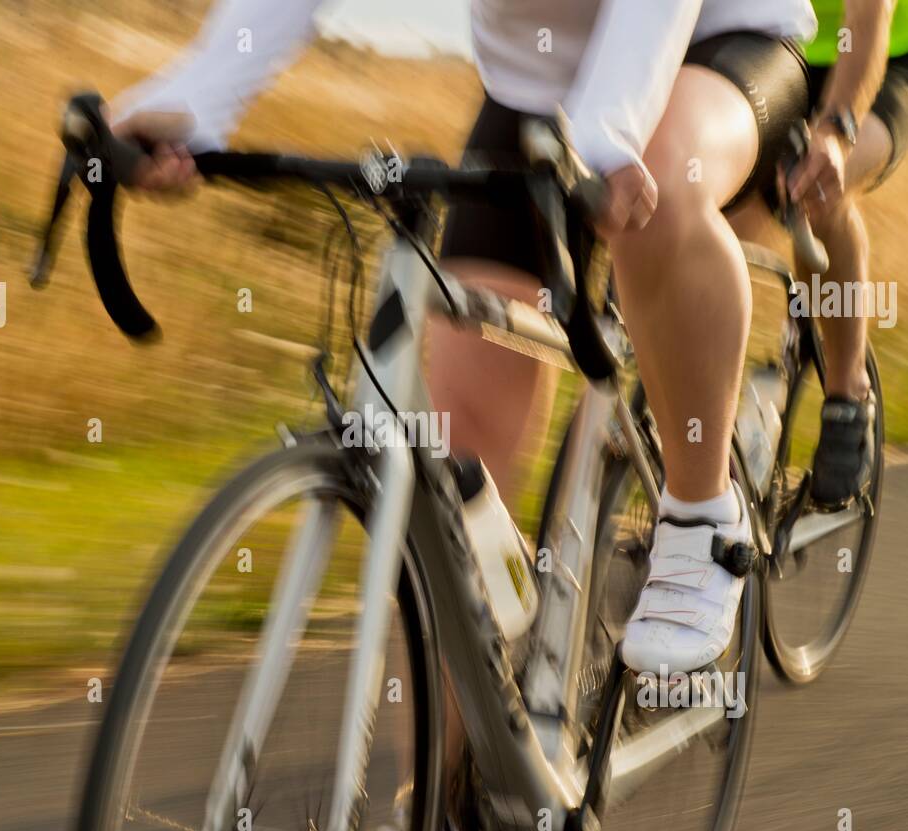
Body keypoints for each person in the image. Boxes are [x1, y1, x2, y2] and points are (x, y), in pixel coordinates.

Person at [111, 1, 817, 687]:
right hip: (538, 91)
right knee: (456, 467)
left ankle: (700, 518)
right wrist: (197, 101)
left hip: (719, 43)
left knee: (662, 172)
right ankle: (442, 798)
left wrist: (608, 131)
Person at [769, 0, 908, 508]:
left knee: (820, 191)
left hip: (886, 58)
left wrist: (837, 129)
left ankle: (847, 393)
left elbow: (868, 20)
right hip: (781, 54)